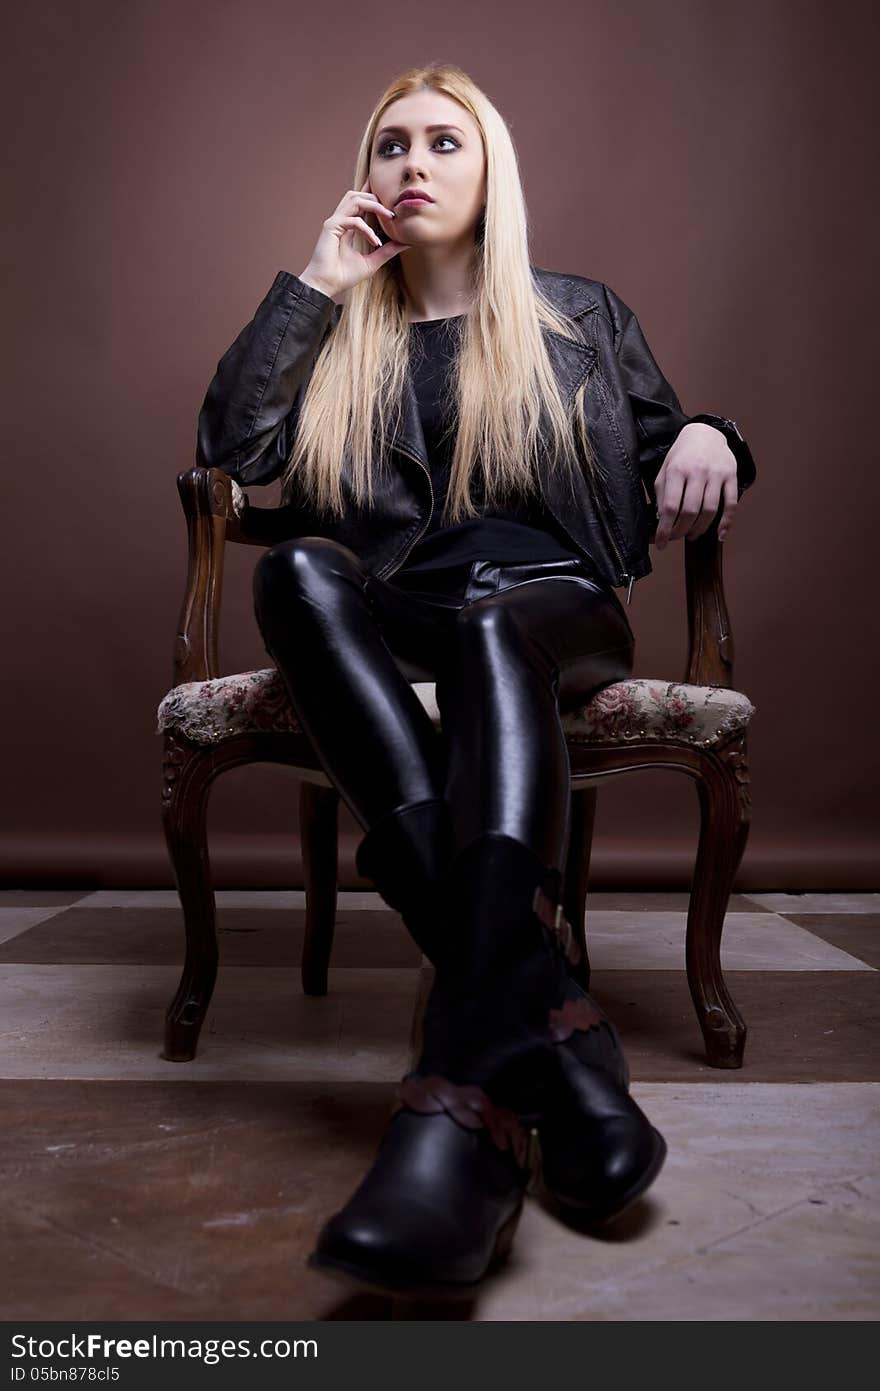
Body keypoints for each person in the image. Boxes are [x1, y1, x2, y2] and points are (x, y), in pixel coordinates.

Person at [195, 62, 757, 1300]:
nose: (413, 164)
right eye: (390, 143)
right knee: (294, 579)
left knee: (503, 626)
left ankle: (454, 1112)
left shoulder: (579, 314)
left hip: (555, 603)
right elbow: (229, 454)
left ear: (489, 167)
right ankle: (554, 1029)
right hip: (408, 609)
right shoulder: (342, 327)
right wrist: (313, 285)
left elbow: (668, 442)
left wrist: (713, 433)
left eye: (444, 141)